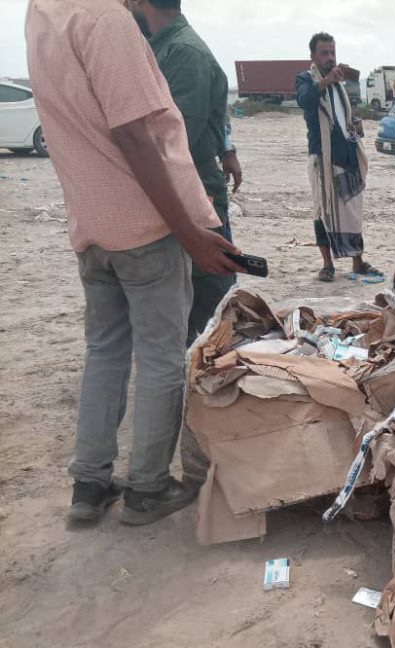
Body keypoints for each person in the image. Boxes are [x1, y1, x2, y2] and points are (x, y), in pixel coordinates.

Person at [26, 0, 243, 526]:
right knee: (161, 357)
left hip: (91, 224)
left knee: (104, 352)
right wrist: (189, 231)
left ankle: (89, 484)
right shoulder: (106, 19)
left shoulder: (42, 13)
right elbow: (133, 135)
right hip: (145, 227)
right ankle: (148, 488)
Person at [130, 0, 243, 345]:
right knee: (183, 303)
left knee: (212, 305)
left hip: (194, 193)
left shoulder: (184, 53)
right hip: (178, 190)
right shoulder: (162, 47)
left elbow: (173, 139)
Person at [296, 32, 381, 282]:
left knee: (353, 210)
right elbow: (305, 100)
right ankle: (327, 264)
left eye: (332, 52)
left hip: (347, 154)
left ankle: (357, 261)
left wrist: (355, 124)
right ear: (313, 56)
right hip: (322, 158)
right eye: (324, 53)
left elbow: (343, 118)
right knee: (323, 211)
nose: (330, 58)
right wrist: (325, 81)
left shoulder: (340, 86)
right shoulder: (306, 79)